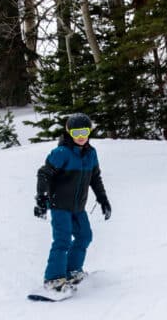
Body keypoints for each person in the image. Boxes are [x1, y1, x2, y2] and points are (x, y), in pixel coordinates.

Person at [34, 113, 112, 292]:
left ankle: (72, 270)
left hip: (78, 207)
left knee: (85, 236)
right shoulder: (61, 153)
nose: (81, 137)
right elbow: (44, 173)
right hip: (60, 205)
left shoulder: (91, 153)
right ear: (69, 133)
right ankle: (53, 279)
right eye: (76, 133)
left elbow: (95, 178)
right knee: (62, 240)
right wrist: (42, 197)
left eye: (84, 132)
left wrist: (103, 199)